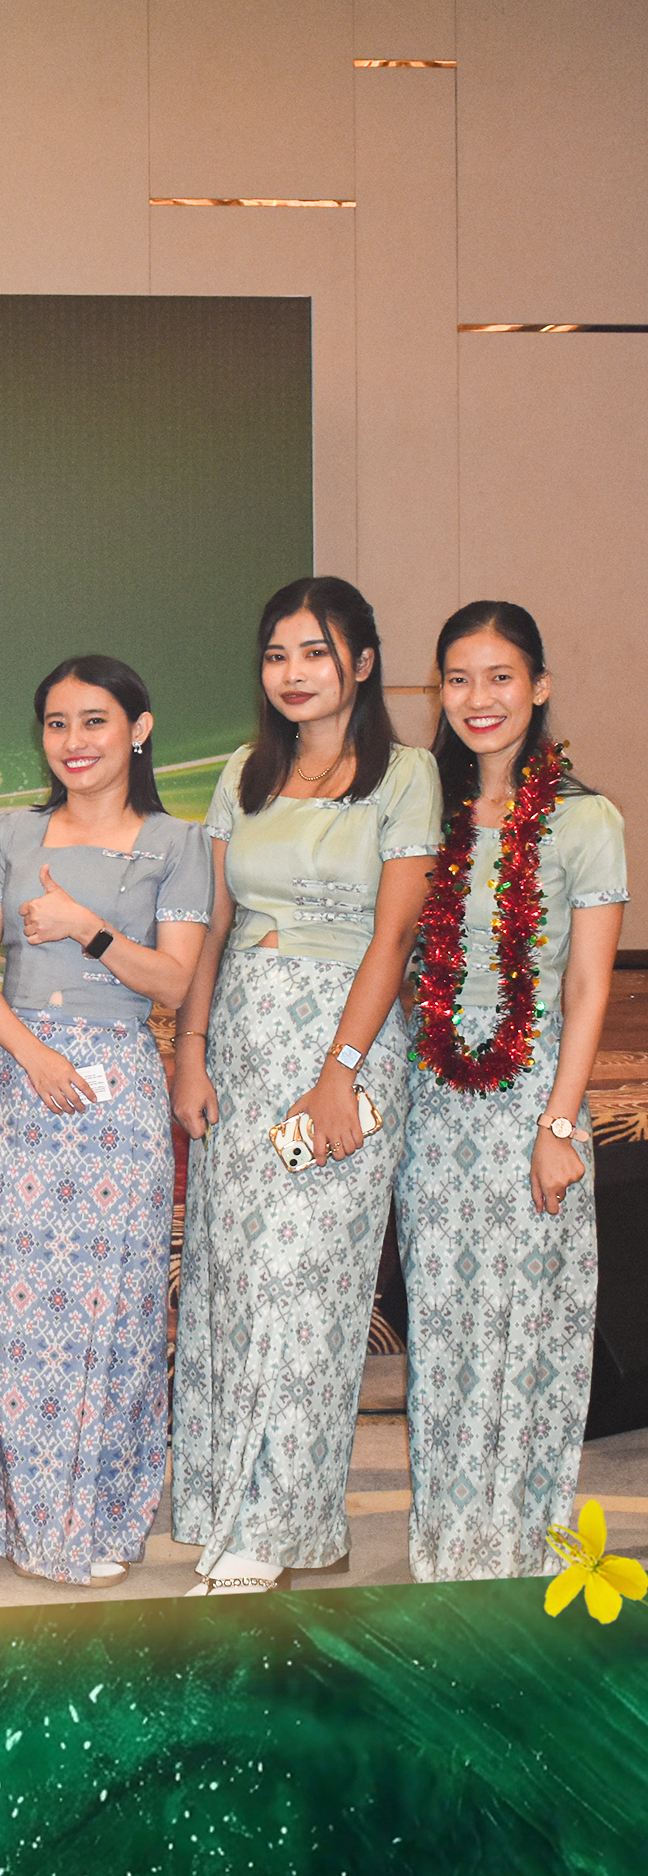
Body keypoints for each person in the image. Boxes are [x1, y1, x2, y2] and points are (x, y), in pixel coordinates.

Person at [170, 576, 440, 1594]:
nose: (293, 672)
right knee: (238, 1280)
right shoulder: (245, 771)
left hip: (344, 1048)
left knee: (308, 1287)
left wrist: (339, 1073)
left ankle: (273, 1523)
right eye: (277, 654)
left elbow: (394, 935)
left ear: (361, 664)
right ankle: (264, 1514)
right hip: (242, 1043)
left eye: (315, 652)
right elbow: (213, 924)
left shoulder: (405, 775)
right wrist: (189, 1046)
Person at [0, 656, 210, 1585]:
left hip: (120, 1092)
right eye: (57, 723)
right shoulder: (9, 833)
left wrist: (82, 925)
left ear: (138, 730)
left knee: (116, 1312)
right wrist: (33, 1056)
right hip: (24, 1083)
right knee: (15, 1311)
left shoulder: (177, 843)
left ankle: (99, 1520)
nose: (74, 742)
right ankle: (14, 1516)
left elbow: (173, 982)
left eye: (94, 721)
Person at [399, 603, 626, 1580]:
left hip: (536, 1099)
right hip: (434, 1108)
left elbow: (587, 987)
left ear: (538, 686)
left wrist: (559, 1124)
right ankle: (447, 1552)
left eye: (499, 677)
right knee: (447, 1331)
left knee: (530, 1330)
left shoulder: (586, 819)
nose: (478, 699)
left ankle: (522, 1553)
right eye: (458, 678)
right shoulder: (422, 814)